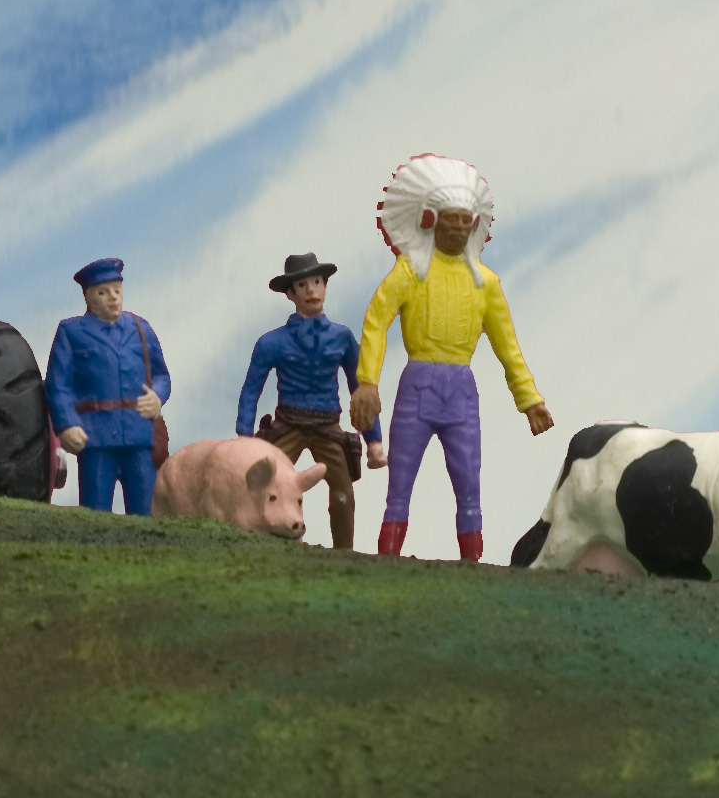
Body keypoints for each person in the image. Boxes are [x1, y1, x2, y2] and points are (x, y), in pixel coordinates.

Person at [348, 155, 552, 562]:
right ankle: (386, 559)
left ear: (475, 225)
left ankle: (472, 562)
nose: (459, 227)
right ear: (430, 221)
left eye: (465, 220)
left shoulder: (486, 284)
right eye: (451, 219)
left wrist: (529, 399)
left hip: (461, 392)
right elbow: (376, 321)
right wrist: (367, 381)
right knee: (399, 483)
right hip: (416, 388)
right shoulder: (410, 271)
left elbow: (507, 347)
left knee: (468, 483)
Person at [235, 251, 388, 549]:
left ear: (325, 286)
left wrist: (374, 441)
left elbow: (361, 391)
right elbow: (251, 390)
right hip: (288, 424)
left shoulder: (342, 338)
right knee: (263, 483)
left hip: (328, 426)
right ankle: (260, 544)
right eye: (302, 285)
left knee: (343, 490)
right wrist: (243, 438)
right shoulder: (271, 342)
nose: (311, 290)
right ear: (291, 294)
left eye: (317, 282)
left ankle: (344, 553)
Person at [45, 258, 170, 514]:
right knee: (96, 512)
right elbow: (58, 385)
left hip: (138, 434)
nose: (113, 298)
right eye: (103, 293)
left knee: (145, 512)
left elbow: (162, 375)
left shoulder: (141, 329)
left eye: (117, 291)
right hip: (96, 438)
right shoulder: (71, 332)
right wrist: (67, 424)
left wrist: (157, 396)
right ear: (88, 297)